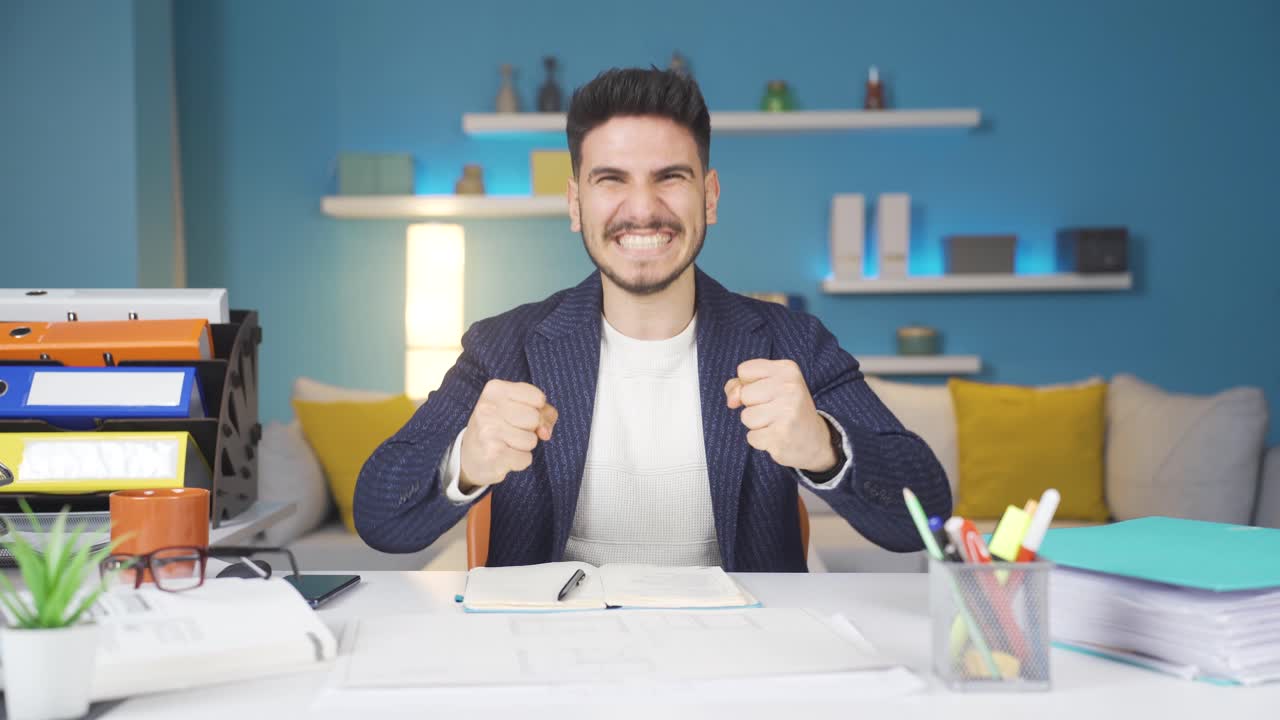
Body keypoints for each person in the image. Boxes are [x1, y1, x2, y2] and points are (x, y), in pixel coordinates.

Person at [354, 67, 950, 571]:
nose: (642, 209)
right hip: (554, 665)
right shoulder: (504, 347)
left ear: (710, 198)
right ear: (575, 203)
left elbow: (926, 511)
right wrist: (465, 459)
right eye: (611, 180)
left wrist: (826, 449)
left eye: (670, 177)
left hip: (742, 667)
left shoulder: (791, 341)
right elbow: (380, 515)